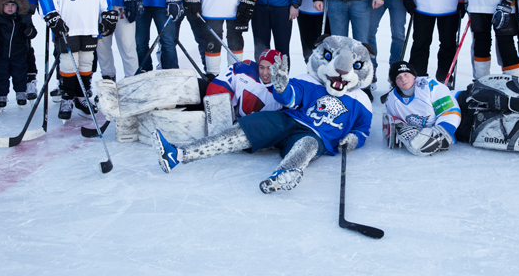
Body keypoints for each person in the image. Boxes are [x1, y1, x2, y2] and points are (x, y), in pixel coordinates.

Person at [151, 35, 373, 194]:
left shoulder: (361, 101)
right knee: (247, 126)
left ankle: (285, 173)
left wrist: (354, 139)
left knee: (307, 144)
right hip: (287, 120)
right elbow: (290, 97)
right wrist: (282, 86)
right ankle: (178, 155)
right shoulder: (310, 80)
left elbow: (362, 130)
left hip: (318, 135)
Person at [382, 61, 461, 156]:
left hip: (462, 110)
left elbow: (451, 112)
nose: (403, 79)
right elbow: (397, 123)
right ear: (394, 82)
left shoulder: (430, 85)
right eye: (398, 77)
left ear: (414, 76)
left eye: (406, 74)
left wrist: (441, 134)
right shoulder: (391, 99)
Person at [206, 49, 283, 118]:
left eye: (270, 68)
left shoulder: (283, 92)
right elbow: (216, 88)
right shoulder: (244, 69)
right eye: (261, 67)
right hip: (228, 118)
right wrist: (218, 113)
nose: (264, 73)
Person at [0, 0, 37, 107]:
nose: (10, 8)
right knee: (1, 75)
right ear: (1, 6)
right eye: (7, 5)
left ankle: (20, 93)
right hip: (1, 54)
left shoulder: (21, 19)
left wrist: (28, 29)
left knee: (20, 74)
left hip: (19, 53)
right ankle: (1, 95)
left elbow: (32, 34)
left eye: (13, 5)